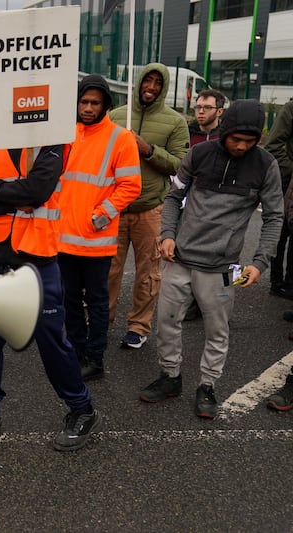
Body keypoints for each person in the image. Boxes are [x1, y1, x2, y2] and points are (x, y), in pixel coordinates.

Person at [0, 136, 102, 451]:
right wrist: (13, 197)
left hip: (36, 259)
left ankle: (81, 408)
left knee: (51, 340)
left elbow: (38, 191)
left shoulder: (52, 140)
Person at [138, 100, 283, 419]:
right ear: (225, 131)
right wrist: (167, 235)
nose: (242, 146)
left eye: (250, 141)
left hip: (221, 269)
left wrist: (259, 263)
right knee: (167, 322)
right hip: (180, 259)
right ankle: (170, 377)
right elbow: (174, 196)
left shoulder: (265, 165)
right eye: (236, 139)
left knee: (217, 330)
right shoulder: (198, 154)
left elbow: (274, 217)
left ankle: (207, 386)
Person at [57, 75, 141, 381]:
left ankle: (95, 358)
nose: (88, 107)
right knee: (69, 301)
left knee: (96, 301)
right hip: (64, 238)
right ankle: (77, 353)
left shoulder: (121, 138)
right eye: (84, 101)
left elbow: (131, 186)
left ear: (106, 104)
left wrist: (101, 215)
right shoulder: (66, 134)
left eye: (95, 102)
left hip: (95, 239)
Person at [108, 63, 190, 349]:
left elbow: (182, 165)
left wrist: (148, 150)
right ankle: (101, 319)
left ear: (163, 87)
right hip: (114, 208)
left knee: (148, 273)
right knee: (108, 270)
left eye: (157, 82)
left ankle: (138, 326)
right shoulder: (116, 116)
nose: (151, 87)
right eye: (147, 80)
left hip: (151, 208)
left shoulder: (175, 122)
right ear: (139, 82)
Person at [182, 88, 227, 320]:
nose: (200, 112)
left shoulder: (226, 137)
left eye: (206, 107)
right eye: (198, 107)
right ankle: (193, 302)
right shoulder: (187, 133)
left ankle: (220, 302)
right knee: (189, 251)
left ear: (219, 111)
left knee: (221, 254)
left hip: (219, 202)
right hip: (190, 199)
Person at [266, 98, 293, 300]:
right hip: (288, 182)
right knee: (281, 230)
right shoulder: (290, 108)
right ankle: (277, 282)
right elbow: (273, 146)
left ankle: (290, 283)